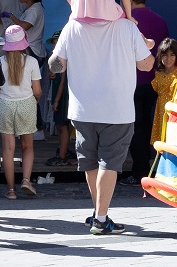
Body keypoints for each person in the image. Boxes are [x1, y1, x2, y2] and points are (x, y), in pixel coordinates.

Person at [49, 14, 154, 235]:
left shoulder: (72, 26)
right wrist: (147, 45)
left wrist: (61, 53)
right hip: (117, 109)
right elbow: (146, 66)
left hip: (82, 109)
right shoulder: (128, 27)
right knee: (109, 162)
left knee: (89, 161)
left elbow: (55, 67)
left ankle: (99, 212)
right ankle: (101, 218)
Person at [127, 0, 170, 180]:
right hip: (154, 82)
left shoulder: (126, 22)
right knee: (151, 125)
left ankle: (140, 172)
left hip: (131, 82)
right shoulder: (160, 21)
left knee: (136, 129)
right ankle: (155, 169)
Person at [0, 25, 41, 200]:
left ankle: (11, 190)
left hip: (5, 105)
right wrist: (35, 101)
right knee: (27, 147)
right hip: (26, 104)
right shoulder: (32, 62)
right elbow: (37, 90)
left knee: (8, 150)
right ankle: (26, 180)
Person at [147, 38, 177, 155]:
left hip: (176, 112)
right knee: (162, 142)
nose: (168, 59)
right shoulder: (158, 75)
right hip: (161, 112)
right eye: (165, 55)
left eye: (172, 55)